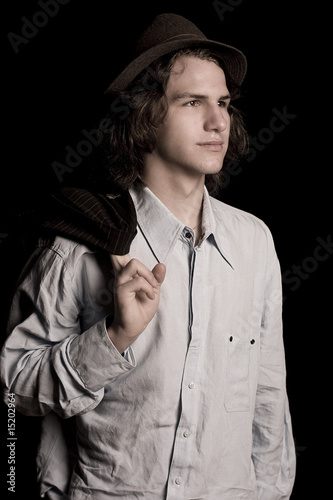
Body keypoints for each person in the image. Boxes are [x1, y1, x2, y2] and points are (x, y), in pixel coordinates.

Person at [0, 13, 296, 499]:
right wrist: (111, 339)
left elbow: (268, 398)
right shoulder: (80, 243)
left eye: (222, 103)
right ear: (144, 115)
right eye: (192, 102)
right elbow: (15, 386)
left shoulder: (254, 242)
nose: (218, 120)